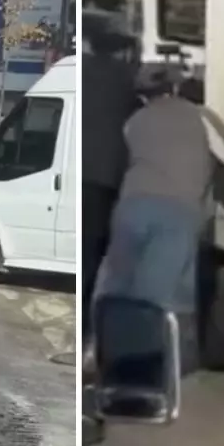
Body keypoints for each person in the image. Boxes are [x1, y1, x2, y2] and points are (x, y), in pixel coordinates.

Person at [98, 74, 224, 318]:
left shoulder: (134, 121)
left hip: (130, 209)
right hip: (176, 212)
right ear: (175, 89)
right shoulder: (199, 116)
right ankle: (162, 351)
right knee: (165, 298)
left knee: (118, 287)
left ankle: (102, 346)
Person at [80, 31, 139, 348]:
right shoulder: (125, 79)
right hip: (108, 179)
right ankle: (94, 335)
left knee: (87, 256)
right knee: (101, 258)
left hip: (82, 175)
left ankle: (88, 333)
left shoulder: (82, 71)